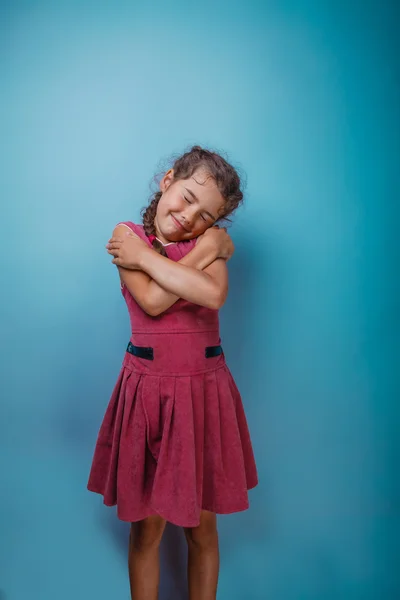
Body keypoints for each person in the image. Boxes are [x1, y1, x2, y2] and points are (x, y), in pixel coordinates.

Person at [87, 145, 258, 600]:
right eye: (185, 197)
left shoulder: (200, 243)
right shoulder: (129, 237)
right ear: (167, 181)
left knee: (203, 531)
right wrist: (194, 252)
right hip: (150, 396)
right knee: (147, 533)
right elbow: (155, 302)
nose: (189, 217)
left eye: (205, 216)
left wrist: (171, 259)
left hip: (203, 393)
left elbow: (212, 296)